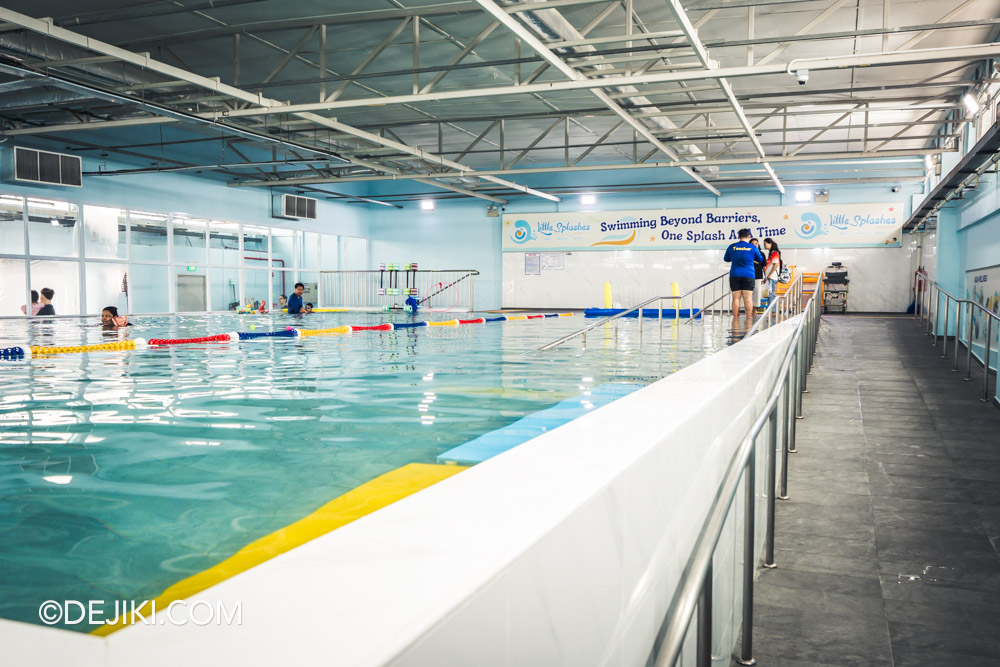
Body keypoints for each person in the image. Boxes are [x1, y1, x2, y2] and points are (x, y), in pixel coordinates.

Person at [724, 229, 763, 317]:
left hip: (735, 274)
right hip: (748, 275)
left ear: (738, 236)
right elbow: (760, 259)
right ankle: (749, 318)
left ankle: (735, 318)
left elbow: (726, 259)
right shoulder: (753, 247)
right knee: (748, 298)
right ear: (749, 236)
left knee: (736, 297)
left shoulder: (732, 246)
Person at [762, 238, 782, 303]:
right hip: (770, 277)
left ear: (770, 244)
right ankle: (771, 310)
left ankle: (772, 311)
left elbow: (776, 264)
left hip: (772, 277)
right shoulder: (771, 253)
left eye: (765, 244)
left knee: (771, 294)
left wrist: (770, 274)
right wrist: (765, 278)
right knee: (769, 294)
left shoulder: (774, 253)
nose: (764, 245)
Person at [749, 238, 764, 312]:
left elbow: (764, 266)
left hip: (758, 276)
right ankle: (749, 310)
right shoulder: (747, 253)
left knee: (757, 294)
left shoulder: (761, 254)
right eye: (753, 244)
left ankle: (754, 310)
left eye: (756, 243)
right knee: (748, 294)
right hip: (748, 275)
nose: (754, 245)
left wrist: (766, 277)